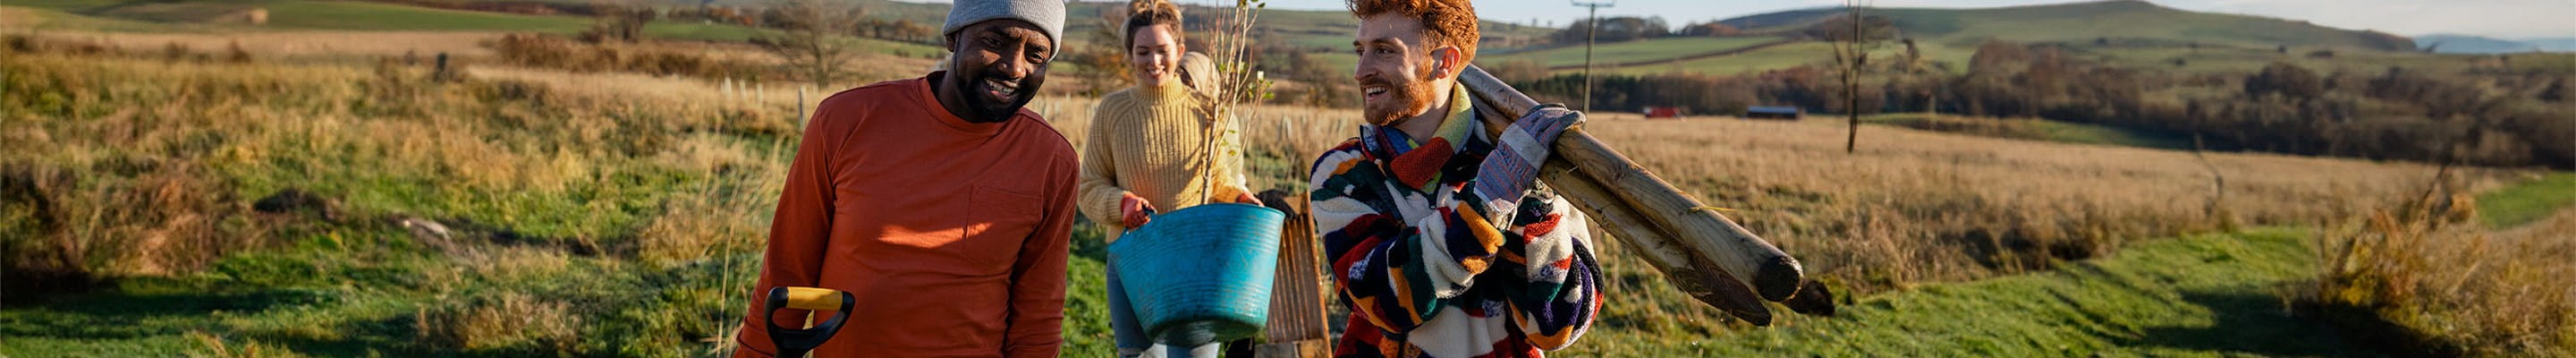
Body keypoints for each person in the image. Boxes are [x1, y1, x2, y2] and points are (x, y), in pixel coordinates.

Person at [731, 0, 1071, 356]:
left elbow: (1039, 311)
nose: (1014, 67)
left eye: (1036, 55)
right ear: (953, 37)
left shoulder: (1052, 159)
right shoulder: (848, 119)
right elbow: (788, 267)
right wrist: (756, 352)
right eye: (995, 42)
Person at [1306, 0, 1602, 356]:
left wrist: (1534, 205)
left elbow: (1558, 325)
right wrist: (1486, 206)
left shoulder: (1523, 162)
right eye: (1360, 51)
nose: (1361, 71)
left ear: (1443, 62)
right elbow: (1386, 301)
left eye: (1384, 51)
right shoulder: (1345, 171)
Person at [1076, 1, 1259, 356]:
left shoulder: (1207, 112)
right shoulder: (1113, 112)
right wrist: (1122, 203)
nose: (1153, 61)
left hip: (1197, 263)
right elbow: (1089, 188)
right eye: (1143, 52)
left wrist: (1238, 198)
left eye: (1162, 51)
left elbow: (1219, 181)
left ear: (1180, 50)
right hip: (1134, 262)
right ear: (1130, 54)